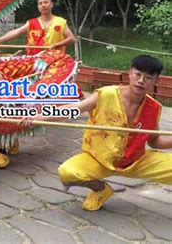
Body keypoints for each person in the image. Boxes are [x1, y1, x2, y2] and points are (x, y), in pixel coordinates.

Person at [25, 55, 172, 211]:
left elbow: (155, 142)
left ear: (156, 81)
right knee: (68, 172)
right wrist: (37, 117)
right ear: (129, 73)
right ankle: (101, 190)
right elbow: (73, 109)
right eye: (138, 74)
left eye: (148, 77)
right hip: (99, 159)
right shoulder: (106, 94)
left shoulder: (154, 108)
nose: (141, 80)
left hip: (136, 161)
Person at [0, 0, 75, 55]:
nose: (43, 5)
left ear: (52, 4)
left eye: (46, 2)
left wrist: (56, 45)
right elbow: (16, 32)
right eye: (40, 3)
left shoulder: (60, 21)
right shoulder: (31, 23)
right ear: (38, 7)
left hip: (56, 60)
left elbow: (71, 39)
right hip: (34, 60)